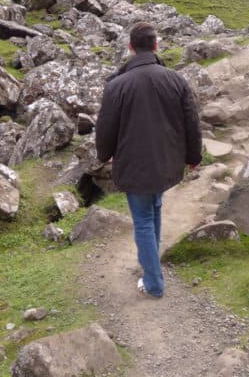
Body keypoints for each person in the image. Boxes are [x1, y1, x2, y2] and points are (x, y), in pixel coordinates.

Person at [95, 22, 202, 298]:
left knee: (143, 218)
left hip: (134, 163)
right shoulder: (175, 79)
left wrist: (104, 155)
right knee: (154, 209)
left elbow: (105, 127)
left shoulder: (116, 85)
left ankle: (153, 283)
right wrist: (193, 156)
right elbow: (191, 121)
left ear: (131, 47)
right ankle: (149, 264)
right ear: (156, 45)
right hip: (167, 160)